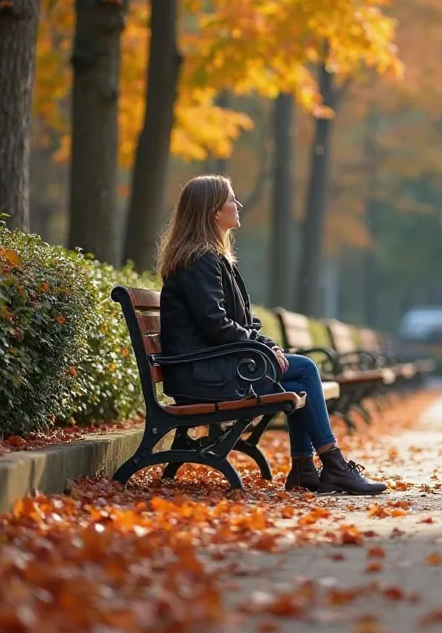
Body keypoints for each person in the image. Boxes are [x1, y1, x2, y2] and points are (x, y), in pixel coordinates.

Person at [158, 175, 387, 496]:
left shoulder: (212, 259)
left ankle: (306, 468)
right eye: (231, 200)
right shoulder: (200, 261)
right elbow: (217, 325)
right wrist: (263, 350)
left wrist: (266, 347)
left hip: (212, 369)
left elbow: (240, 323)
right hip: (201, 377)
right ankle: (331, 465)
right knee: (306, 369)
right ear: (213, 211)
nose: (238, 205)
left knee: (297, 381)